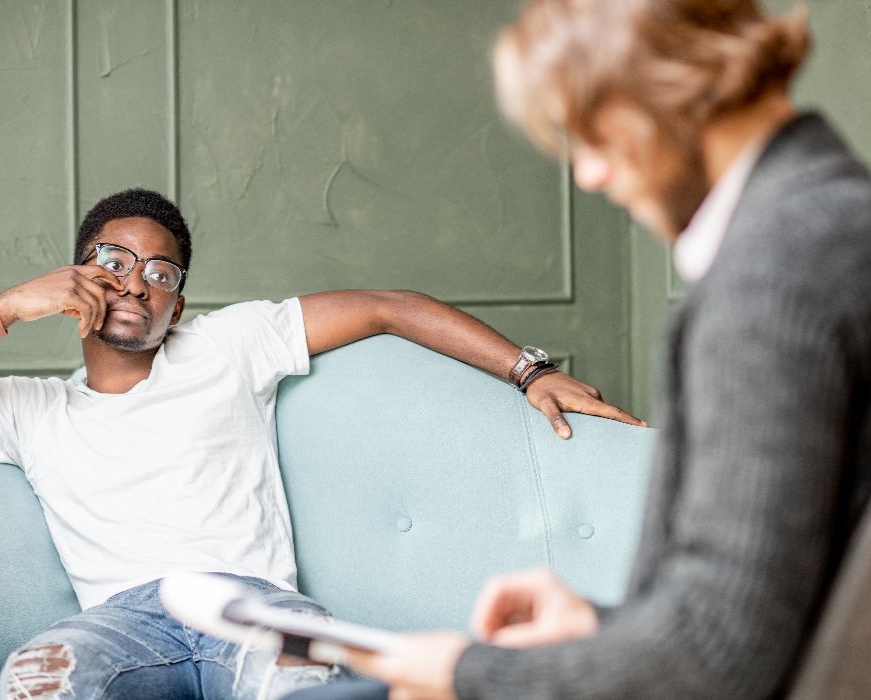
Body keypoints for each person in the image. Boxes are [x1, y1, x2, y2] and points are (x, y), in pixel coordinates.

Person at [294, 1, 871, 698]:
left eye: (595, 131)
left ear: (674, 83)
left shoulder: (771, 276)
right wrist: (602, 628)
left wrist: (465, 673)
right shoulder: (842, 220)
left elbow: (716, 654)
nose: (590, 174)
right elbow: (781, 608)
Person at [0, 187, 643, 700]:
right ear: (75, 276)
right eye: (114, 261)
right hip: (122, 623)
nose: (136, 283)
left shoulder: (228, 344)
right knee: (38, 679)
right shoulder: (30, 409)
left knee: (303, 685)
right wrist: (4, 310)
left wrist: (531, 372)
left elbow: (389, 307)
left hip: (250, 605)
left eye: (161, 273)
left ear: (177, 305)